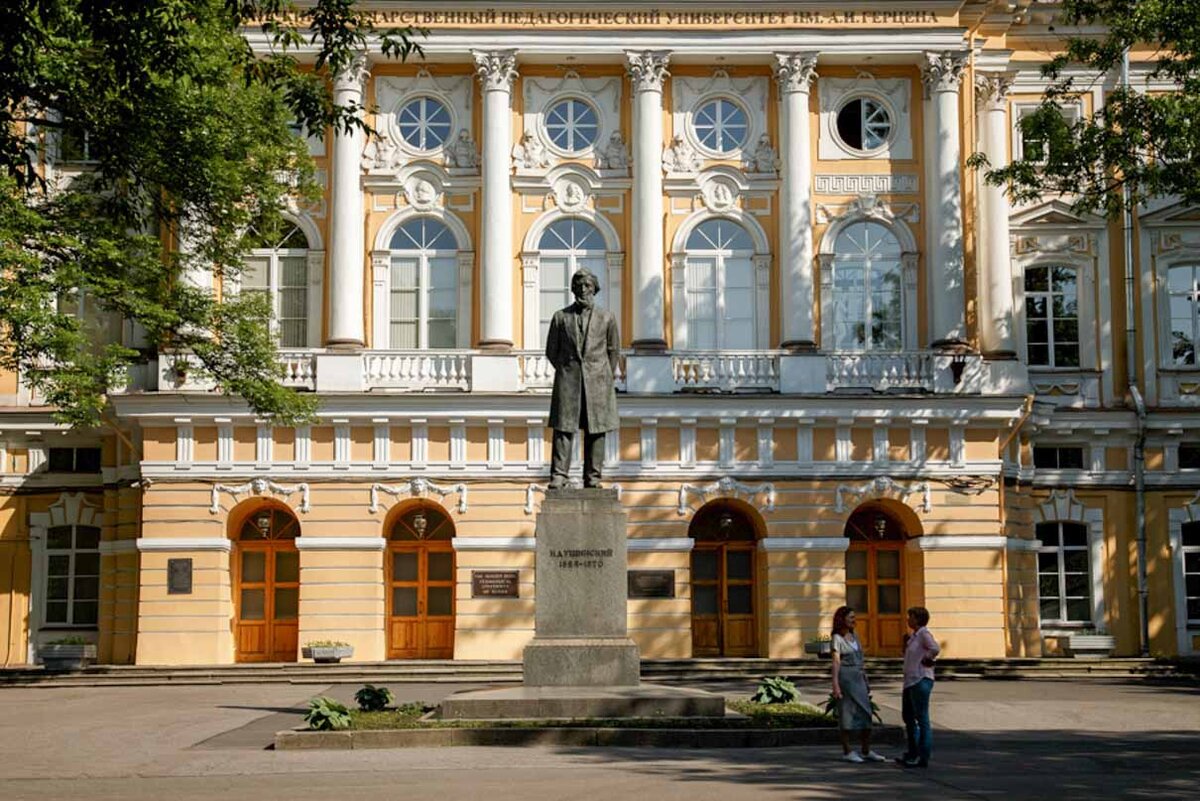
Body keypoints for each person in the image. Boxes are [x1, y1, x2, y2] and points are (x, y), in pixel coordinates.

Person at [544, 268, 620, 489]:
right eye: (578, 285)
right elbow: (551, 351)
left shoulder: (607, 318)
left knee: (596, 431)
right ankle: (559, 475)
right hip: (568, 381)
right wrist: (568, 369)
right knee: (563, 429)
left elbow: (613, 350)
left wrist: (603, 374)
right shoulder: (560, 317)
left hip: (598, 382)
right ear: (573, 288)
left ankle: (593, 478)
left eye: (587, 285)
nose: (582, 289)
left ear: (594, 289)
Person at [830, 605, 886, 763]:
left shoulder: (855, 636)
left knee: (866, 712)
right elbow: (836, 662)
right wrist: (835, 684)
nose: (854, 620)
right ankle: (847, 751)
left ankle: (866, 749)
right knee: (846, 713)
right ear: (843, 619)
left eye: (854, 617)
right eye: (851, 617)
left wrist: (866, 678)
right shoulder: (837, 638)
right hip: (846, 678)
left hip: (858, 677)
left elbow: (861, 661)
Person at [897, 605, 940, 768]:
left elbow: (935, 648)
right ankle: (912, 752)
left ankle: (922, 756)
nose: (908, 619)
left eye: (911, 616)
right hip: (910, 681)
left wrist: (927, 658)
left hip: (921, 680)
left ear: (918, 619)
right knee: (908, 717)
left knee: (921, 719)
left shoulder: (923, 634)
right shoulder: (913, 636)